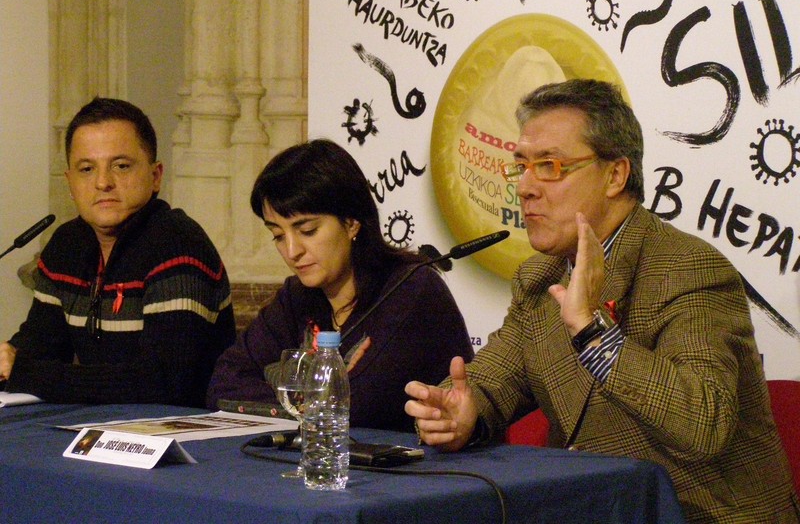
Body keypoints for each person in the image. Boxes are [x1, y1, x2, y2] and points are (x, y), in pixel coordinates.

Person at [405, 79, 799, 522]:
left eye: (549, 166)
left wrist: (592, 333)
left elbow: (704, 421)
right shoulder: (540, 279)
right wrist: (459, 413)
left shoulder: (687, 267)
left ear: (615, 175)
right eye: (522, 167)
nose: (526, 188)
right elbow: (491, 381)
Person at [207, 139, 474, 431]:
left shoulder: (411, 290)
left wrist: (281, 378)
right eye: (278, 236)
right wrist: (307, 399)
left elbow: (355, 407)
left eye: (307, 230)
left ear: (351, 223)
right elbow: (225, 382)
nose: (292, 251)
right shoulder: (297, 295)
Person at [0, 97, 235, 407]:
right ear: (70, 183)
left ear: (155, 176)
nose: (103, 183)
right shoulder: (66, 245)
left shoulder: (178, 243)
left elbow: (163, 384)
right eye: (86, 169)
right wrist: (7, 360)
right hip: (100, 424)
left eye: (121, 166)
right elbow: (38, 349)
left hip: (184, 430)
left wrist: (23, 371)